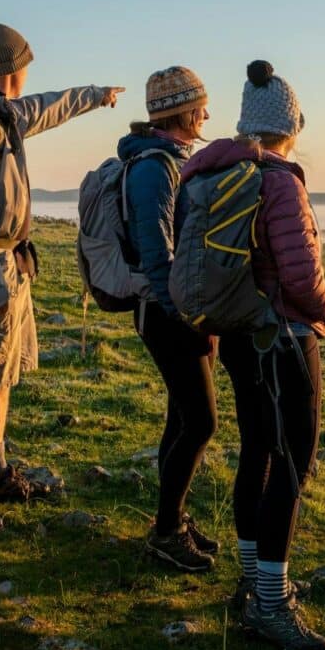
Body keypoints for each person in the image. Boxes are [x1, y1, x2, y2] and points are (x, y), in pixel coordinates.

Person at [0, 23, 122, 537]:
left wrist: (96, 96)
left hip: (5, 264)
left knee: (0, 371)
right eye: (26, 66)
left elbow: (48, 106)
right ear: (11, 69)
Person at [178, 61, 325, 650]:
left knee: (258, 452)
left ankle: (252, 581)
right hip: (286, 338)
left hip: (241, 334)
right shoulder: (280, 182)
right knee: (291, 464)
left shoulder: (215, 171)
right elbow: (300, 275)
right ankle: (272, 605)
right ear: (290, 126)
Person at [119, 67, 219, 571]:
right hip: (168, 313)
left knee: (181, 417)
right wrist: (187, 318)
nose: (207, 115)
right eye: (200, 107)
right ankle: (165, 532)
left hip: (183, 310)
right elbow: (157, 255)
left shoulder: (173, 160)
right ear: (181, 112)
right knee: (201, 422)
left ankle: (173, 518)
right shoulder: (154, 169)